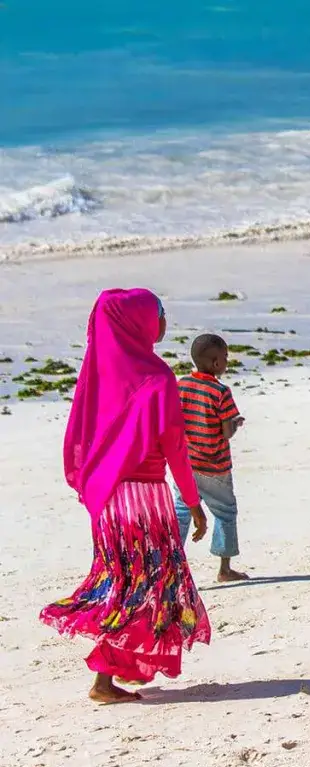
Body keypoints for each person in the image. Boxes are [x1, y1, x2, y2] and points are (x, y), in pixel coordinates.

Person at [41, 289, 211, 704]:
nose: (164, 320)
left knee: (127, 580)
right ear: (139, 324)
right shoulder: (156, 378)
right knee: (148, 582)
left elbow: (82, 442)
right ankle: (104, 677)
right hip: (143, 499)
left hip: (109, 503)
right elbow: (176, 447)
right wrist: (192, 502)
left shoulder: (99, 379)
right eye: (159, 313)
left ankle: (119, 668)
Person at [173, 333, 247, 582]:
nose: (227, 362)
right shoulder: (221, 392)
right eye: (225, 357)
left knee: (182, 513)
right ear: (216, 364)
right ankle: (225, 569)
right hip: (215, 468)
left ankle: (173, 569)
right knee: (225, 512)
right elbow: (226, 433)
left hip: (186, 465)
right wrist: (236, 423)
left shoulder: (181, 385)